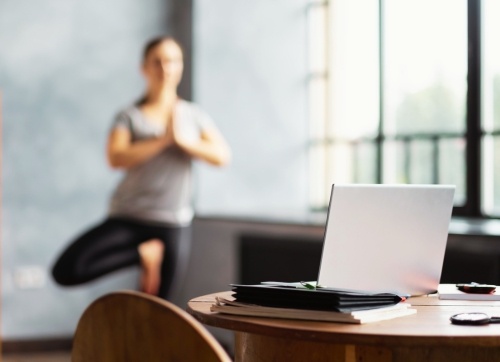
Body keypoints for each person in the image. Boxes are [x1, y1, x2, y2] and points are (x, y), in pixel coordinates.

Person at [51, 36, 230, 299]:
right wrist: (163, 140)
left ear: (180, 66)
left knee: (161, 309)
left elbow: (221, 156)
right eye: (157, 62)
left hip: (172, 223)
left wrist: (183, 142)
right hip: (128, 216)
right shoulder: (129, 116)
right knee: (67, 270)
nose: (165, 68)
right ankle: (143, 254)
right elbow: (116, 157)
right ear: (144, 68)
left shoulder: (194, 116)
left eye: (172, 61)